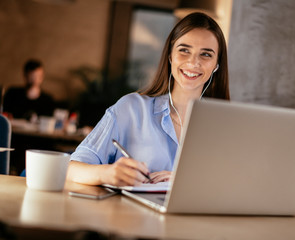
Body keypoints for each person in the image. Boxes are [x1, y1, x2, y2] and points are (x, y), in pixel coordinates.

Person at [67, 12, 230, 187]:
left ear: (216, 65)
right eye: (184, 50)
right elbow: (71, 168)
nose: (193, 62)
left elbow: (236, 185)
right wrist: (107, 174)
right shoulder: (131, 108)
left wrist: (184, 181)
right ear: (170, 56)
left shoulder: (225, 125)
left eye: (206, 54)